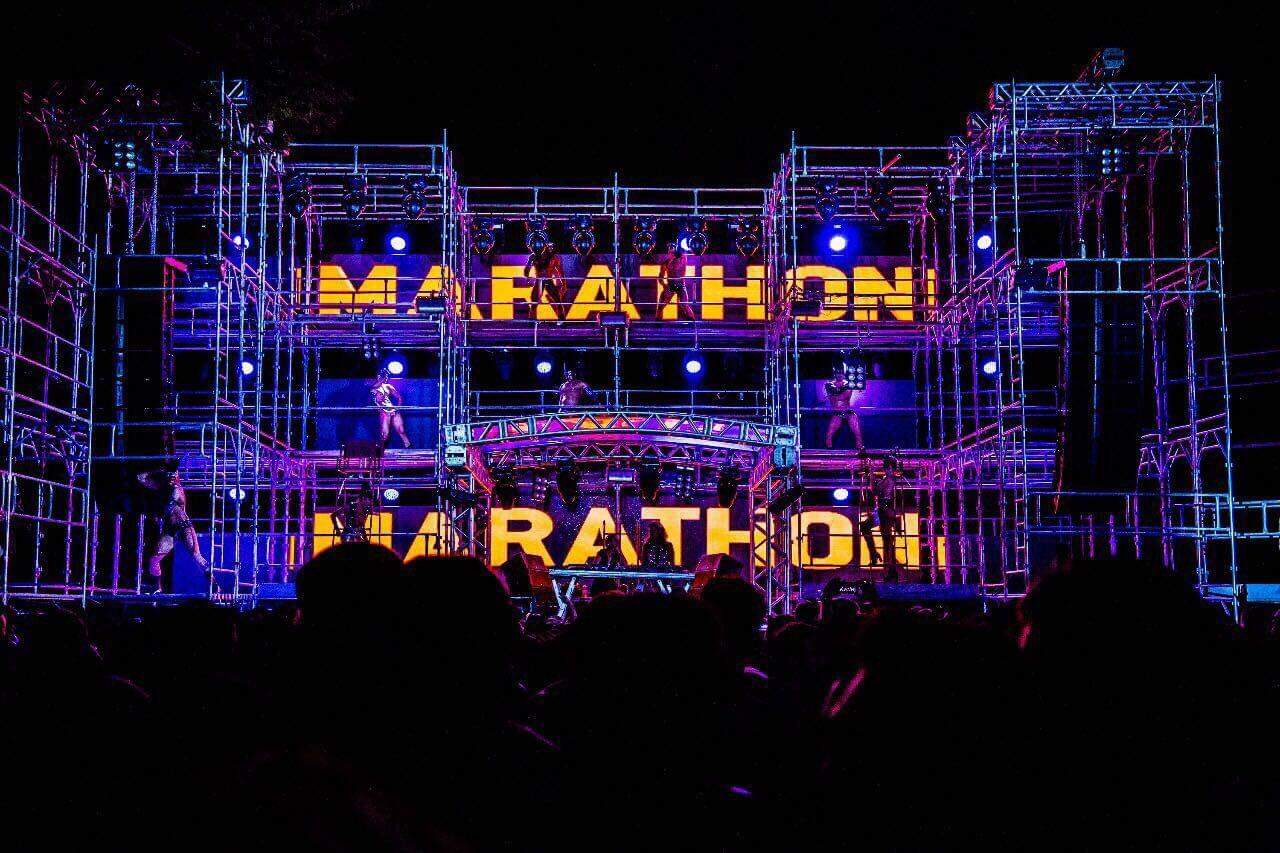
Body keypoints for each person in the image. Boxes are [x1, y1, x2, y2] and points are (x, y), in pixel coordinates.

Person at [136, 462, 209, 589]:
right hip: (170, 530)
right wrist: (158, 470)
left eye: (174, 475)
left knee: (197, 556)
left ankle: (214, 585)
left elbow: (169, 505)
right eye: (169, 475)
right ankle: (157, 588)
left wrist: (158, 513)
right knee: (154, 560)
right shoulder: (161, 486)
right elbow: (140, 477)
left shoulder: (177, 489)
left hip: (183, 527)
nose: (171, 477)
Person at [873, 457, 905, 581]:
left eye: (888, 467)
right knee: (886, 539)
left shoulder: (889, 479)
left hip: (885, 510)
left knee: (887, 540)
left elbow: (876, 491)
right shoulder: (887, 479)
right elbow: (876, 491)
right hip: (884, 510)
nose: (886, 469)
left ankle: (891, 569)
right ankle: (890, 569)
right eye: (886, 467)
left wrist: (872, 478)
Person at [824, 364, 865, 451]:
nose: (840, 375)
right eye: (838, 373)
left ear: (844, 373)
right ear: (835, 373)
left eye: (842, 373)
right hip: (837, 412)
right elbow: (835, 391)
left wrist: (838, 394)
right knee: (829, 435)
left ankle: (860, 451)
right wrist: (839, 392)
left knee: (857, 433)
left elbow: (843, 395)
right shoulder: (829, 384)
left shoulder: (848, 383)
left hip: (848, 411)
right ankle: (829, 453)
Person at [524, 244, 567, 320]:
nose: (550, 249)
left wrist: (564, 284)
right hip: (539, 280)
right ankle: (531, 319)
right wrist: (527, 276)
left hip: (548, 280)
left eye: (552, 247)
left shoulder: (554, 258)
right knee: (534, 300)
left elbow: (560, 271)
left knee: (557, 299)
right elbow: (527, 268)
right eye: (549, 247)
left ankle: (561, 318)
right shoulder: (534, 256)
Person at [370, 368, 411, 449]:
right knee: (385, 434)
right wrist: (380, 408)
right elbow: (375, 400)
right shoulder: (373, 389)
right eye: (385, 377)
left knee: (401, 430)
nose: (386, 379)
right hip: (384, 412)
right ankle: (381, 450)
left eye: (387, 377)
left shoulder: (388, 386)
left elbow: (399, 397)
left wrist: (397, 408)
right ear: (379, 377)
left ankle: (409, 448)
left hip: (393, 410)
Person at [656, 242, 696, 321]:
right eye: (669, 250)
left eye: (672, 250)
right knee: (661, 305)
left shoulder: (682, 258)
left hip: (681, 284)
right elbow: (660, 277)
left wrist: (674, 253)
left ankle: (693, 322)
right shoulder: (666, 263)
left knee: (685, 304)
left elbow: (682, 253)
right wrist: (664, 285)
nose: (670, 252)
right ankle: (657, 322)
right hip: (670, 285)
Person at [331, 479, 376, 543]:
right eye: (368, 501)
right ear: (363, 499)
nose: (369, 503)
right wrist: (337, 529)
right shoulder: (351, 506)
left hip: (358, 534)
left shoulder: (366, 509)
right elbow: (333, 515)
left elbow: (361, 526)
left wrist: (365, 539)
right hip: (348, 535)